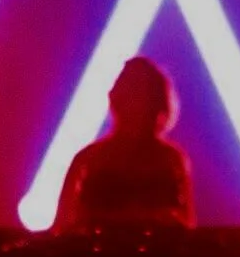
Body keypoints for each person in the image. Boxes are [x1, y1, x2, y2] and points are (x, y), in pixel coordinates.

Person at [54, 58, 193, 233]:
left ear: (154, 100)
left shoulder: (172, 160)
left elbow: (187, 227)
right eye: (124, 86)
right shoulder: (86, 160)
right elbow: (62, 227)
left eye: (135, 88)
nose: (126, 94)